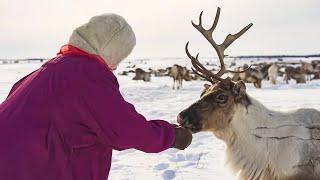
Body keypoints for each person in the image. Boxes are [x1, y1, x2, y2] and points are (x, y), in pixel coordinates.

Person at [0, 13, 192, 180]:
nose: (116, 65)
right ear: (112, 49)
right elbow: (122, 129)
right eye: (120, 56)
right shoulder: (86, 74)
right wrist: (171, 136)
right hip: (31, 169)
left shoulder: (51, 69)